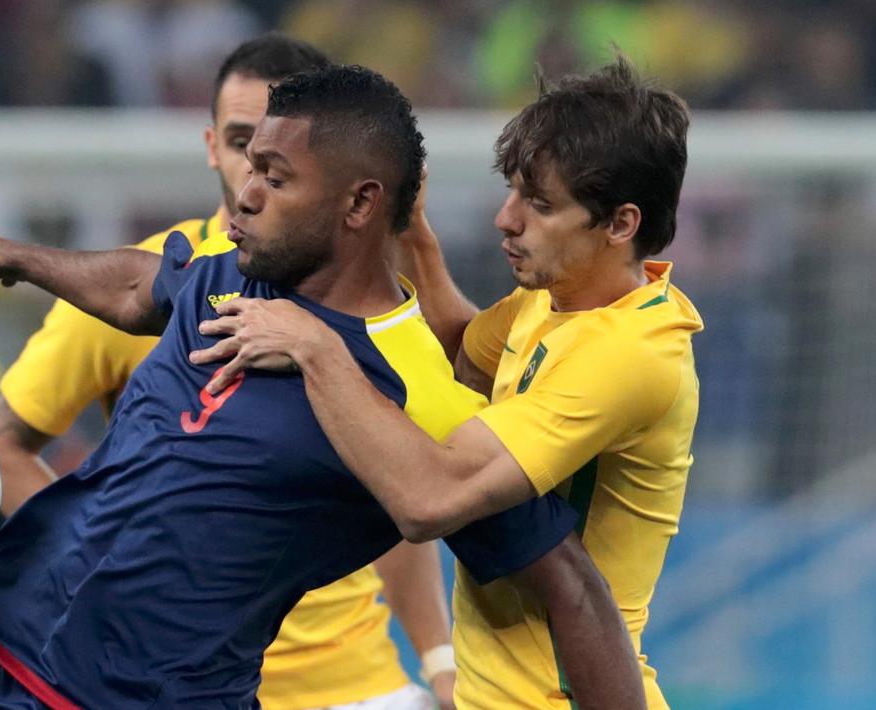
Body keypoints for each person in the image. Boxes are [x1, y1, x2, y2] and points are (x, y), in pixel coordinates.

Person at [0, 64, 643, 709]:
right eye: (250, 168)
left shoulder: (411, 385)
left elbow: (570, 585)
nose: (243, 197)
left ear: (358, 204)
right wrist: (19, 258)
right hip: (12, 666)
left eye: (274, 179)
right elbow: (136, 286)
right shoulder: (230, 276)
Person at [192, 57, 700, 709]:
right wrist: (413, 237)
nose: (505, 219)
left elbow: (432, 497)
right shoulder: (561, 297)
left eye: (539, 204)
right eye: (513, 190)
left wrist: (314, 347)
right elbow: (460, 354)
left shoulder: (629, 352)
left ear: (620, 224)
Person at [0, 34, 455, 710]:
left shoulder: (377, 320)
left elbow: (402, 495)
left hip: (348, 686)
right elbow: (3, 438)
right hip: (151, 681)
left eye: (281, 163)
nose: (251, 179)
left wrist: (439, 658)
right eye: (242, 146)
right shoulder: (154, 277)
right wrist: (101, 579)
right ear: (212, 145)